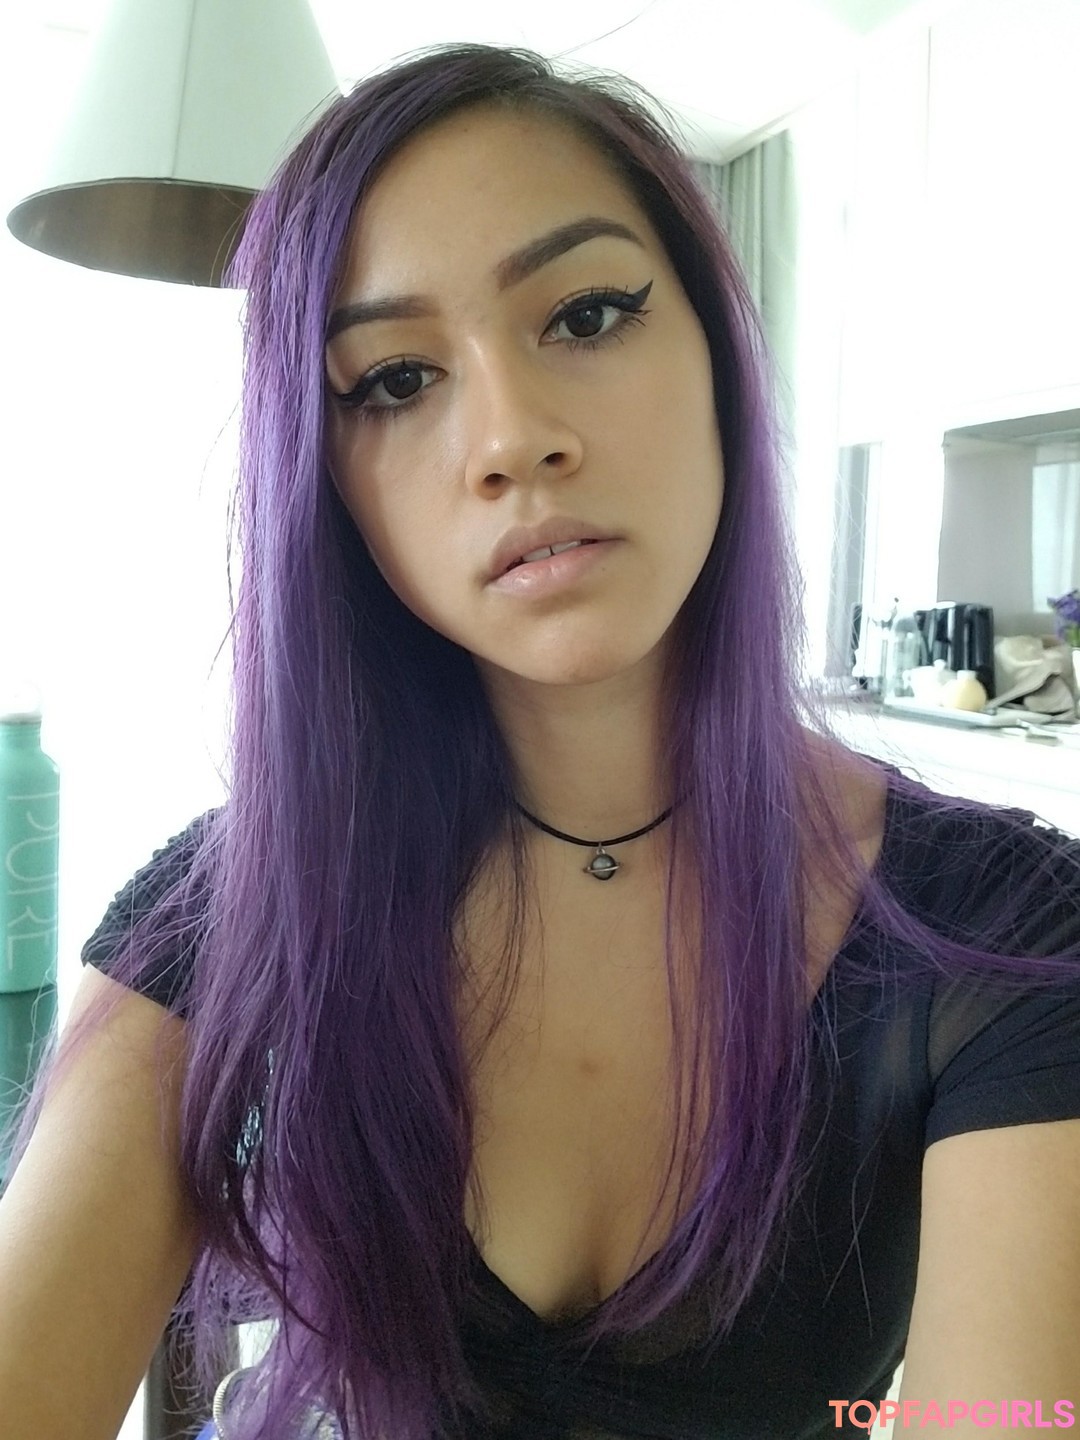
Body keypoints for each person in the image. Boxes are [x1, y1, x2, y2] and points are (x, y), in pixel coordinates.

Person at [1, 40, 1079, 1440]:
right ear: (326, 486)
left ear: (720, 359)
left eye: (585, 314)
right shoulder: (226, 912)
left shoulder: (1006, 939)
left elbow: (1008, 1411)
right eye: (395, 380)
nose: (511, 439)